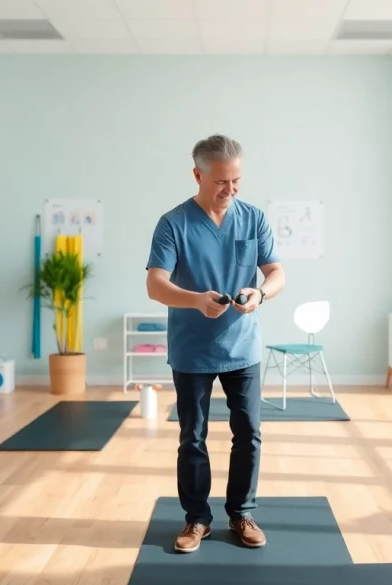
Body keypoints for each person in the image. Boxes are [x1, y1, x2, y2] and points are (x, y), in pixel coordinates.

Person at [145, 134, 285, 554]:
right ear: (198, 175)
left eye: (237, 181)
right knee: (193, 436)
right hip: (191, 350)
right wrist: (195, 301)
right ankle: (196, 521)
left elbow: (277, 273)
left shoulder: (254, 218)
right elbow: (155, 284)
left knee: (249, 434)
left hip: (243, 347)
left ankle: (241, 513)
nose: (230, 189)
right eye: (222, 181)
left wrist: (261, 293)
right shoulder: (174, 223)